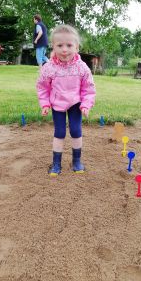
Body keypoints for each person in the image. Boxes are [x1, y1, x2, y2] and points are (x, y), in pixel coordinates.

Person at [36, 24, 96, 176]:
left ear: (76, 47)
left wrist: (86, 105)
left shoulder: (82, 67)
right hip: (57, 105)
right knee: (60, 132)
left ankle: (76, 161)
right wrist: (45, 104)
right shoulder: (49, 68)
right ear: (53, 47)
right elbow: (43, 87)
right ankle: (56, 164)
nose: (64, 49)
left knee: (76, 131)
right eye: (60, 45)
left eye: (69, 45)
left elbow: (88, 88)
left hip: (76, 104)